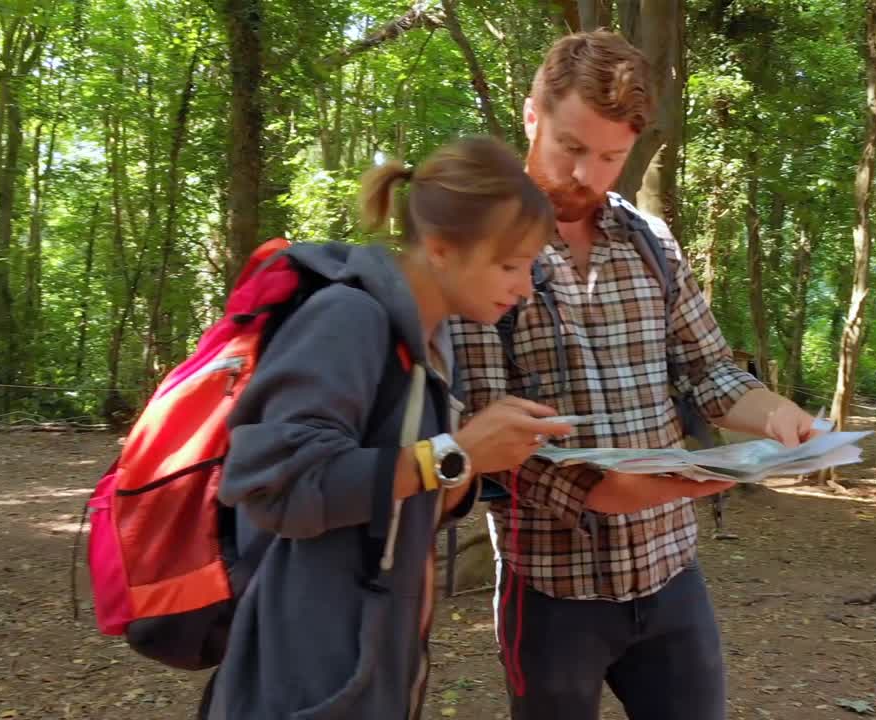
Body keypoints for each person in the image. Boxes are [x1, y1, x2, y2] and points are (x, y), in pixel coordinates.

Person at [452, 32, 820, 720]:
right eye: (570, 147)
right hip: (552, 593)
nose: (587, 175)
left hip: (673, 579)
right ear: (532, 115)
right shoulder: (486, 252)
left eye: (611, 156)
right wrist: (615, 491)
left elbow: (710, 371)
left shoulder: (651, 243)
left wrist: (776, 417)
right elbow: (486, 429)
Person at [203, 136, 572, 720]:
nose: (526, 287)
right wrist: (454, 453)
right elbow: (274, 484)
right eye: (510, 264)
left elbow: (402, 495)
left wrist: (475, 459)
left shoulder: (427, 341)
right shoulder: (348, 318)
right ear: (442, 249)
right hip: (303, 676)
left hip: (370, 668)